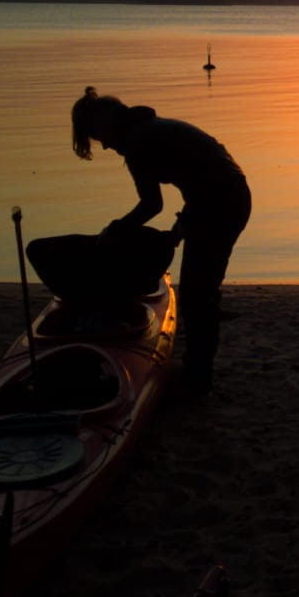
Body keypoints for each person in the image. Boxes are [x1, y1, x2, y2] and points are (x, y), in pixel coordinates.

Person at [70, 87, 251, 394]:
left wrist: (115, 229)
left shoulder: (137, 142)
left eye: (98, 137)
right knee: (200, 290)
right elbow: (198, 176)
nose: (104, 147)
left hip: (220, 201)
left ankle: (197, 379)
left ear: (103, 124)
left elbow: (152, 204)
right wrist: (182, 227)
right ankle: (197, 371)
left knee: (196, 294)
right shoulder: (149, 128)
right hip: (225, 196)